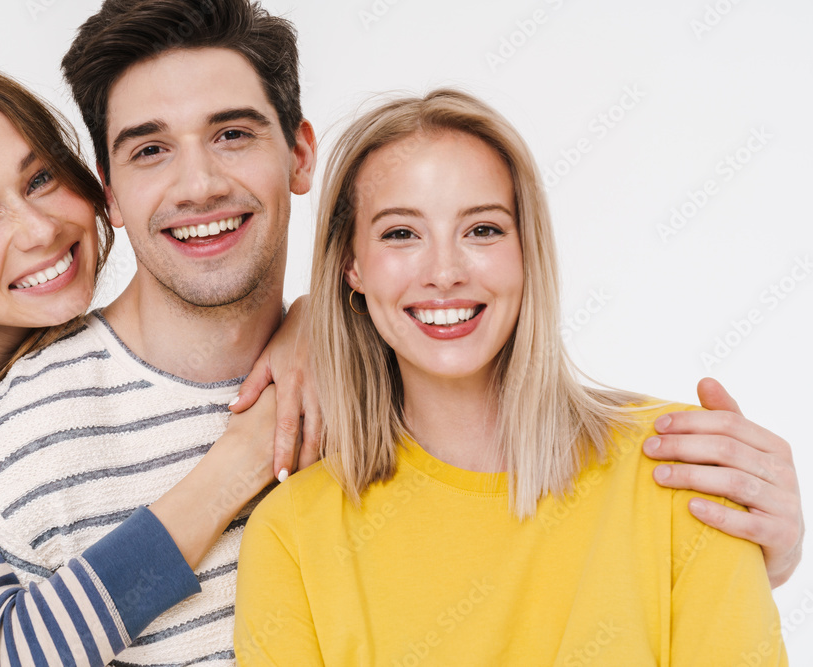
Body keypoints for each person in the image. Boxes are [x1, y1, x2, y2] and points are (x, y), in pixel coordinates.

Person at [234, 89, 788, 664]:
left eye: (483, 230)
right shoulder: (294, 533)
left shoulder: (683, 466)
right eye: (401, 233)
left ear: (527, 250)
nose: (444, 273)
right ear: (352, 265)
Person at [0, 62, 294, 667]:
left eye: (40, 179)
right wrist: (241, 460)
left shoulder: (48, 356)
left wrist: (310, 327)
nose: (40, 229)